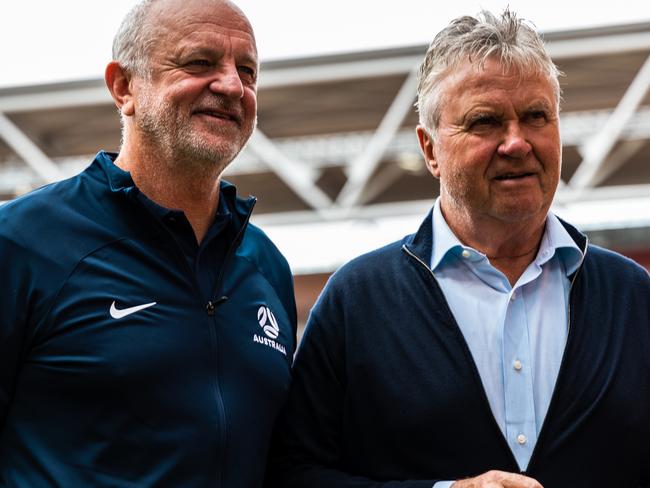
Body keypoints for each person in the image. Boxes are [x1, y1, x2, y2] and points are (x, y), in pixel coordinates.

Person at [266, 9, 650, 488]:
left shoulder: (633, 296)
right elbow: (292, 475)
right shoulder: (358, 301)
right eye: (485, 122)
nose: (516, 143)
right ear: (430, 150)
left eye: (536, 116)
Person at [0, 1, 296, 486]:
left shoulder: (264, 264)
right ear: (124, 87)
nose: (231, 86)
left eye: (247, 71)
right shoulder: (21, 243)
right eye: (199, 63)